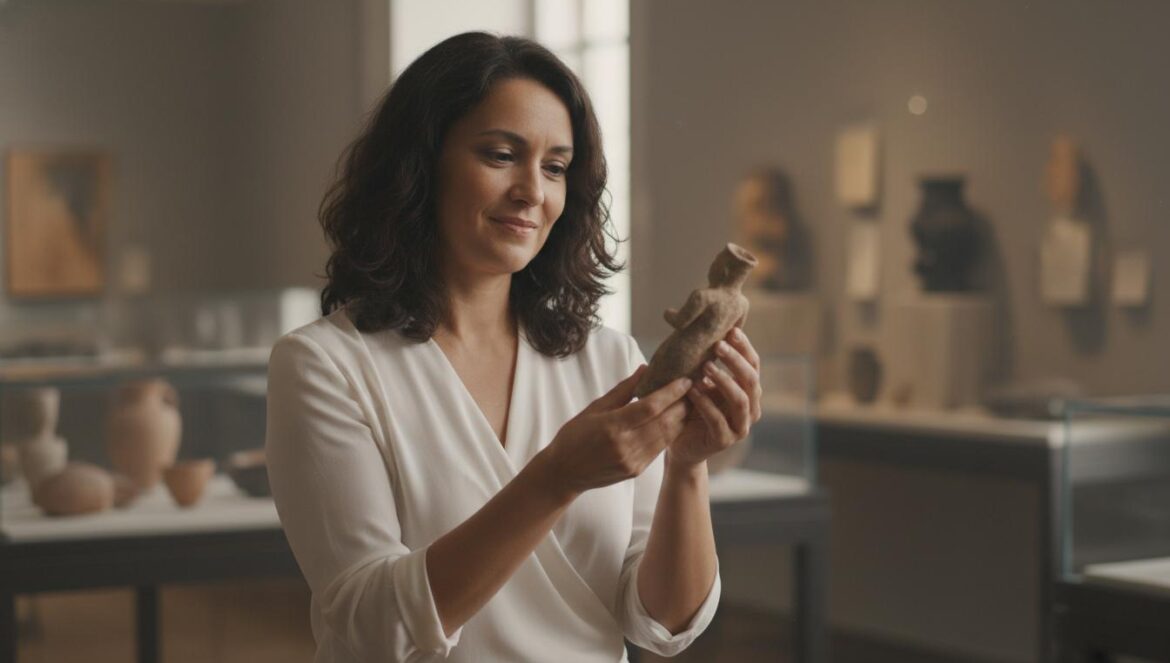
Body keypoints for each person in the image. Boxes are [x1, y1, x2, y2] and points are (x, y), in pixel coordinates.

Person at [265, 32, 763, 663]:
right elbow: (371, 629)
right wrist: (555, 478)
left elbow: (662, 625)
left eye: (555, 167)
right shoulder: (327, 366)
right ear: (421, 164)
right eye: (501, 155)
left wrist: (688, 467)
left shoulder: (607, 360)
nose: (533, 190)